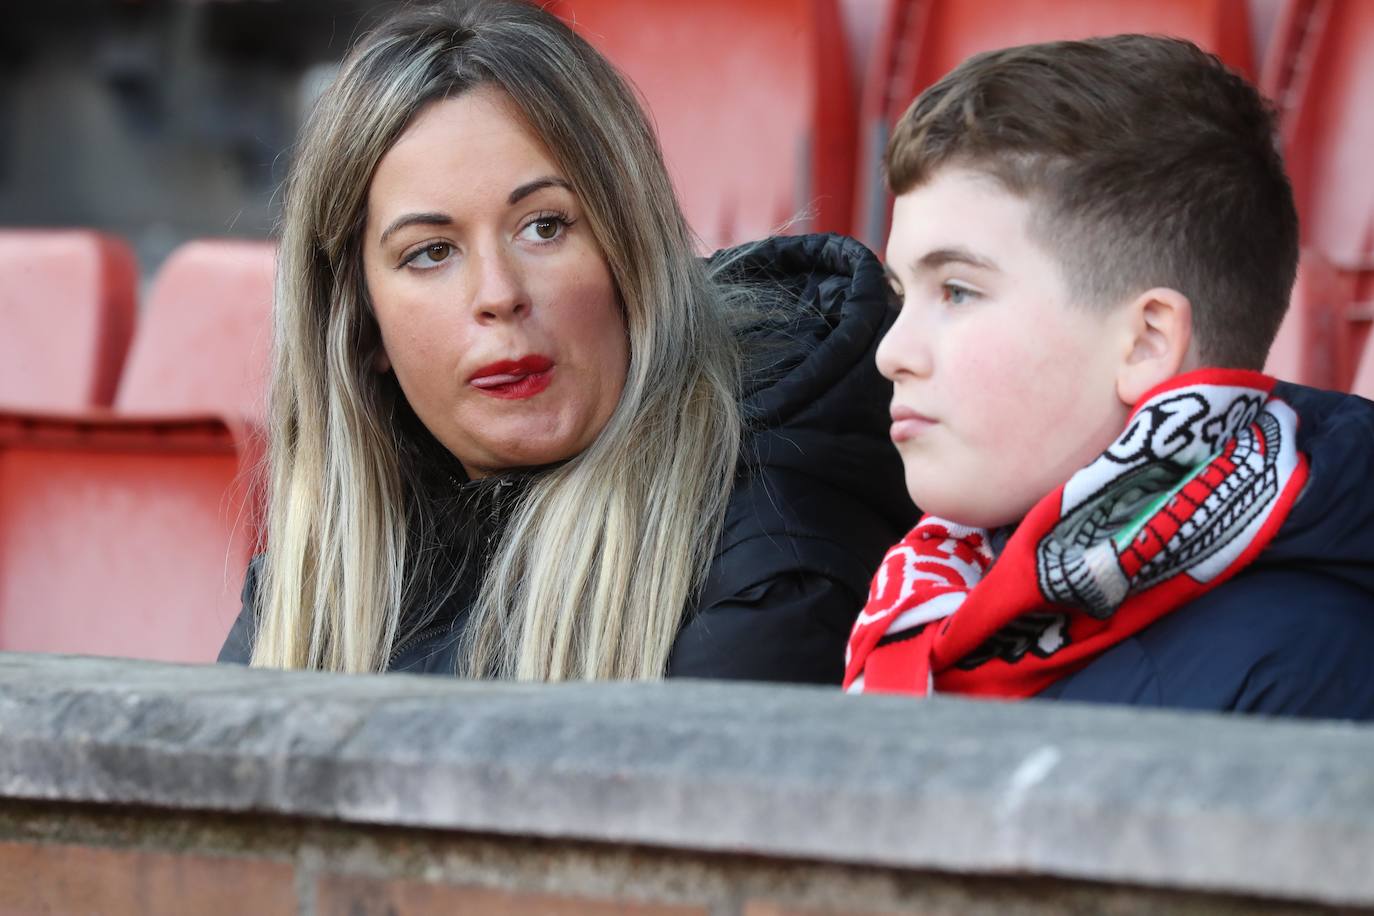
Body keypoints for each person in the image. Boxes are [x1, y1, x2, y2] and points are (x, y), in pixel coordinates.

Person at [218, 0, 915, 681]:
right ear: (362, 324)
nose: (498, 294)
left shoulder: (774, 548)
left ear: (631, 255)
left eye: (545, 226)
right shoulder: (320, 576)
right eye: (431, 252)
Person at [845, 34, 1374, 717]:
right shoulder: (941, 590)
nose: (892, 352)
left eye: (957, 291)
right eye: (899, 294)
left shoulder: (1302, 675)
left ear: (1147, 341)